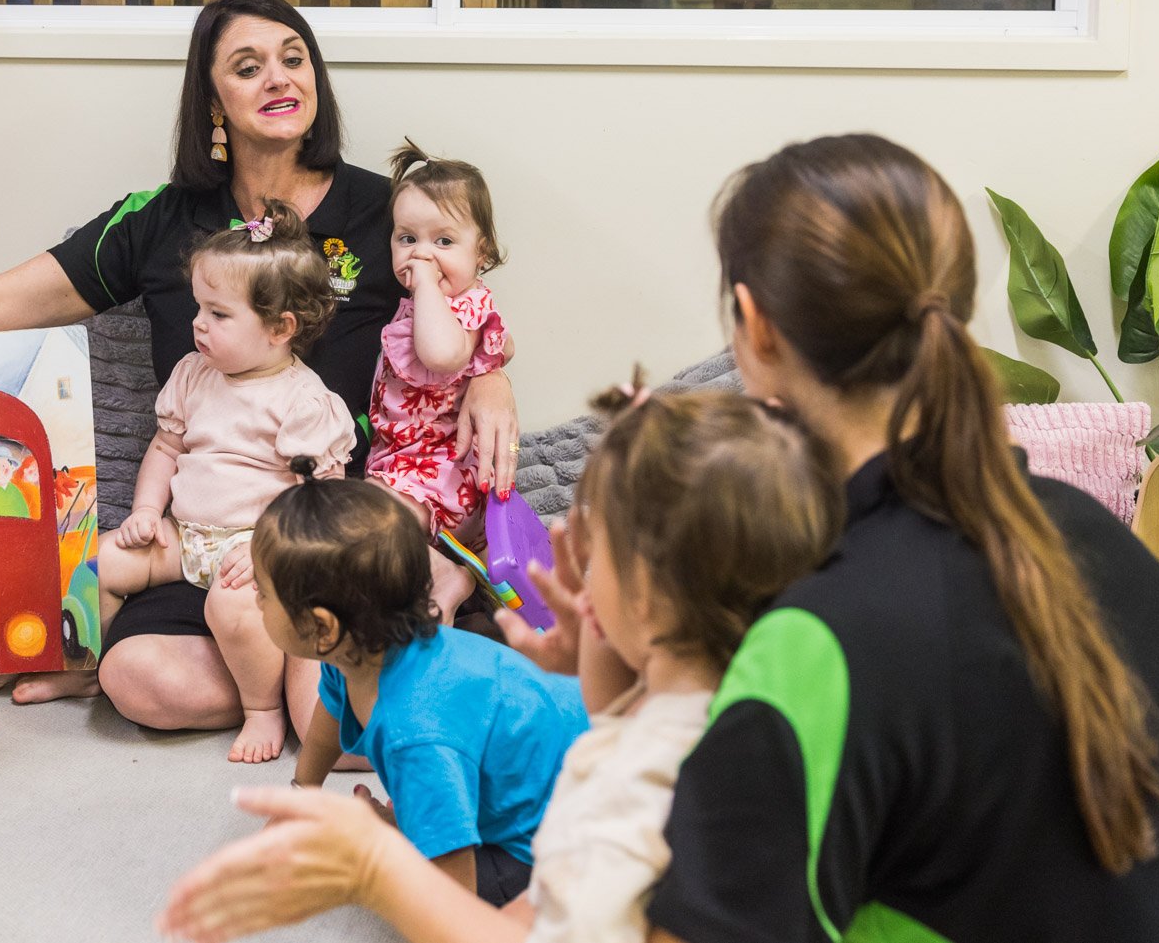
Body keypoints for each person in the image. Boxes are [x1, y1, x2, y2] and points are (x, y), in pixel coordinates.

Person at [159, 133, 1159, 943]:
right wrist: (610, 665)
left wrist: (373, 868)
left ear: (752, 328)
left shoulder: (820, 640)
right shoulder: (1094, 530)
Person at [0, 0, 520, 726]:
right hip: (205, 539)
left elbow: (458, 306)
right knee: (137, 679)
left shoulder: (388, 212)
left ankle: (312, 687)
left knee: (368, 633)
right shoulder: (158, 222)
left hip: (338, 532)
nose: (280, 77)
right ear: (212, 101)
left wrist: (491, 380)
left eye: (294, 57)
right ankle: (303, 691)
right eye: (248, 65)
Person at [158, 386, 843, 942]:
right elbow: (327, 722)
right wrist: (306, 797)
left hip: (525, 839)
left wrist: (377, 867)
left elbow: (467, 912)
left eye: (587, 547)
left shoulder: (612, 796)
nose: (558, 550)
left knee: (431, 864)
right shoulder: (659, 707)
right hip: (548, 789)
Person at [100, 201, 355, 764]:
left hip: (257, 552)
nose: (197, 324)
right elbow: (166, 448)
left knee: (233, 604)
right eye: (198, 307)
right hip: (185, 536)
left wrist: (266, 546)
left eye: (218, 313)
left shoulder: (304, 401)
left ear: (279, 328)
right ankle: (87, 668)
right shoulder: (195, 374)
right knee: (98, 564)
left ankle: (261, 708)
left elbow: (318, 498)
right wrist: (145, 510)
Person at [265, 471, 587, 907]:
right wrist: (304, 792)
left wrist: (390, 850)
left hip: (573, 828)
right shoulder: (360, 653)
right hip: (551, 770)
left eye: (263, 593)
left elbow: (454, 904)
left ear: (322, 628)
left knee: (403, 888)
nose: (254, 597)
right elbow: (328, 711)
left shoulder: (415, 733)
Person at [367, 142, 512, 622]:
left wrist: (427, 286)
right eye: (407, 239)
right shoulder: (437, 304)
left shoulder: (461, 305)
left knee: (369, 524)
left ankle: (448, 578)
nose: (421, 255)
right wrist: (487, 362)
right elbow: (502, 347)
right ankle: (453, 584)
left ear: (482, 252)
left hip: (437, 473)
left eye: (443, 242)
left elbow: (443, 354)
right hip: (404, 462)